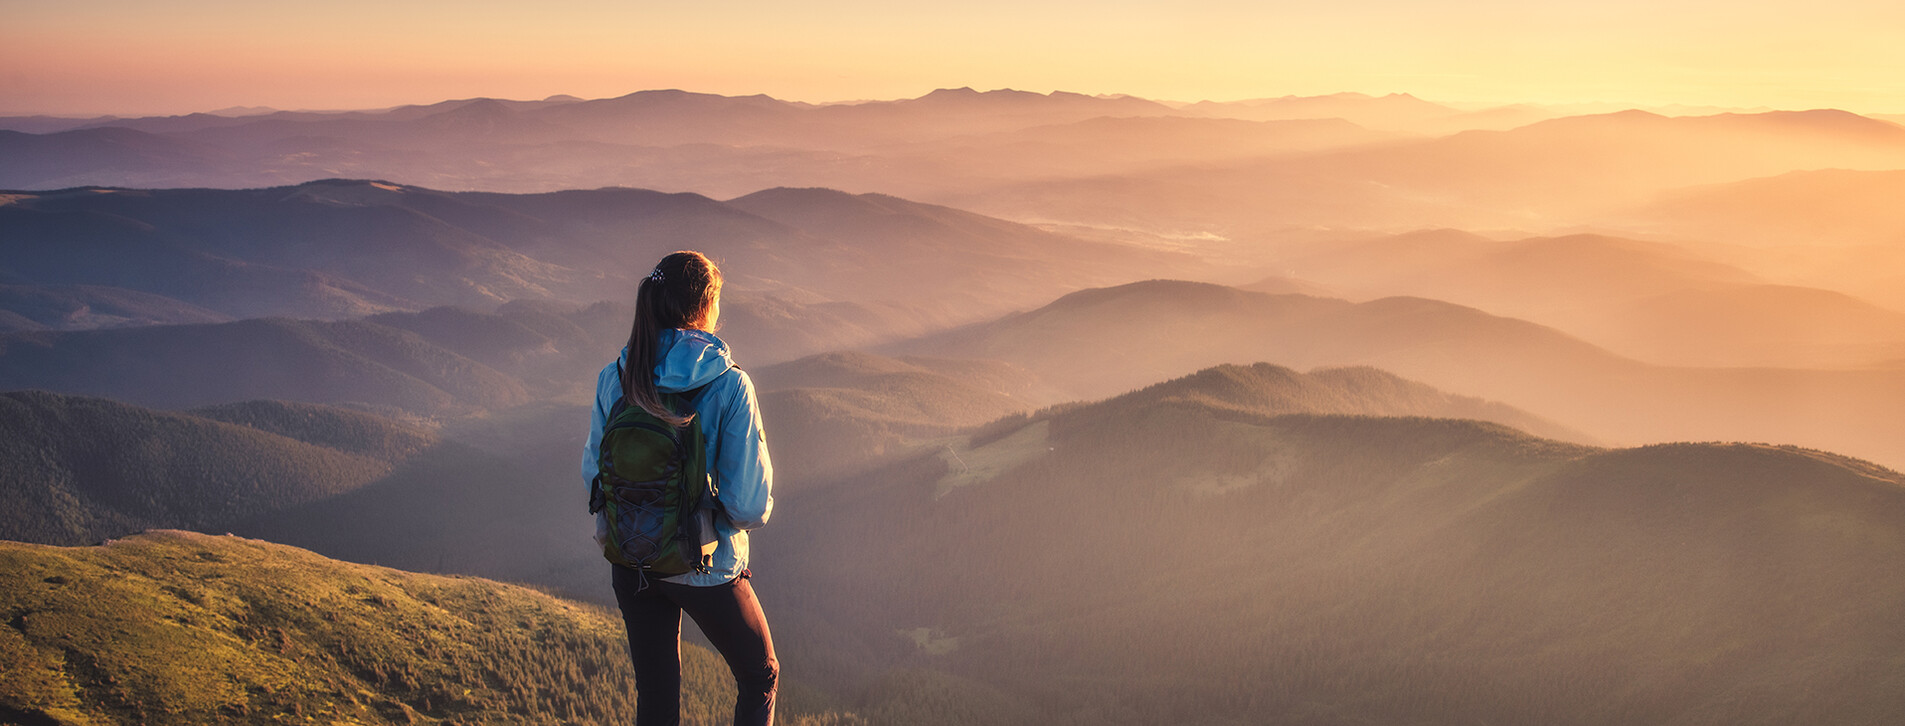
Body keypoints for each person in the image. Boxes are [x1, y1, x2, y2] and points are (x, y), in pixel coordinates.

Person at [583, 250, 777, 726]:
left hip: (632, 561)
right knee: (760, 676)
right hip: (704, 565)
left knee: (656, 699)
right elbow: (749, 506)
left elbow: (594, 476)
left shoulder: (617, 376)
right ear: (707, 306)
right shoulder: (729, 386)